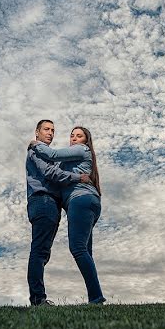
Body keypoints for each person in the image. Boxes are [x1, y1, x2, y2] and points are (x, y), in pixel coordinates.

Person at [30, 126, 105, 304]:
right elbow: (55, 171)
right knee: (85, 252)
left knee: (77, 249)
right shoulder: (72, 158)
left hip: (80, 200)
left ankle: (96, 298)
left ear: (86, 141)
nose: (74, 138)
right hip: (88, 201)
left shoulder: (82, 150)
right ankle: (95, 298)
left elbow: (53, 156)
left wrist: (35, 145)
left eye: (79, 136)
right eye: (72, 136)